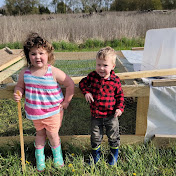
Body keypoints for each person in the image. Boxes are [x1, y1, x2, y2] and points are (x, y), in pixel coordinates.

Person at [14, 33, 74, 171]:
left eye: (41, 53)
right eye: (33, 53)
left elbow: (69, 84)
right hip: (35, 112)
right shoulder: (25, 73)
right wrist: (18, 93)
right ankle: (40, 158)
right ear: (28, 56)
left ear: (48, 54)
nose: (37, 57)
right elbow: (20, 86)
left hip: (53, 111)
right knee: (40, 134)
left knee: (52, 134)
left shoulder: (52, 71)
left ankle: (57, 157)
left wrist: (66, 102)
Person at [79, 46, 124, 166]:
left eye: (105, 65)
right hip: (96, 114)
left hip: (111, 115)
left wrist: (120, 108)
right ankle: (96, 156)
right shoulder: (93, 76)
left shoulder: (115, 80)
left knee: (113, 136)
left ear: (113, 66)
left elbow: (120, 96)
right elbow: (82, 82)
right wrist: (86, 92)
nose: (101, 68)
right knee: (95, 136)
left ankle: (114, 155)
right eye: (99, 65)